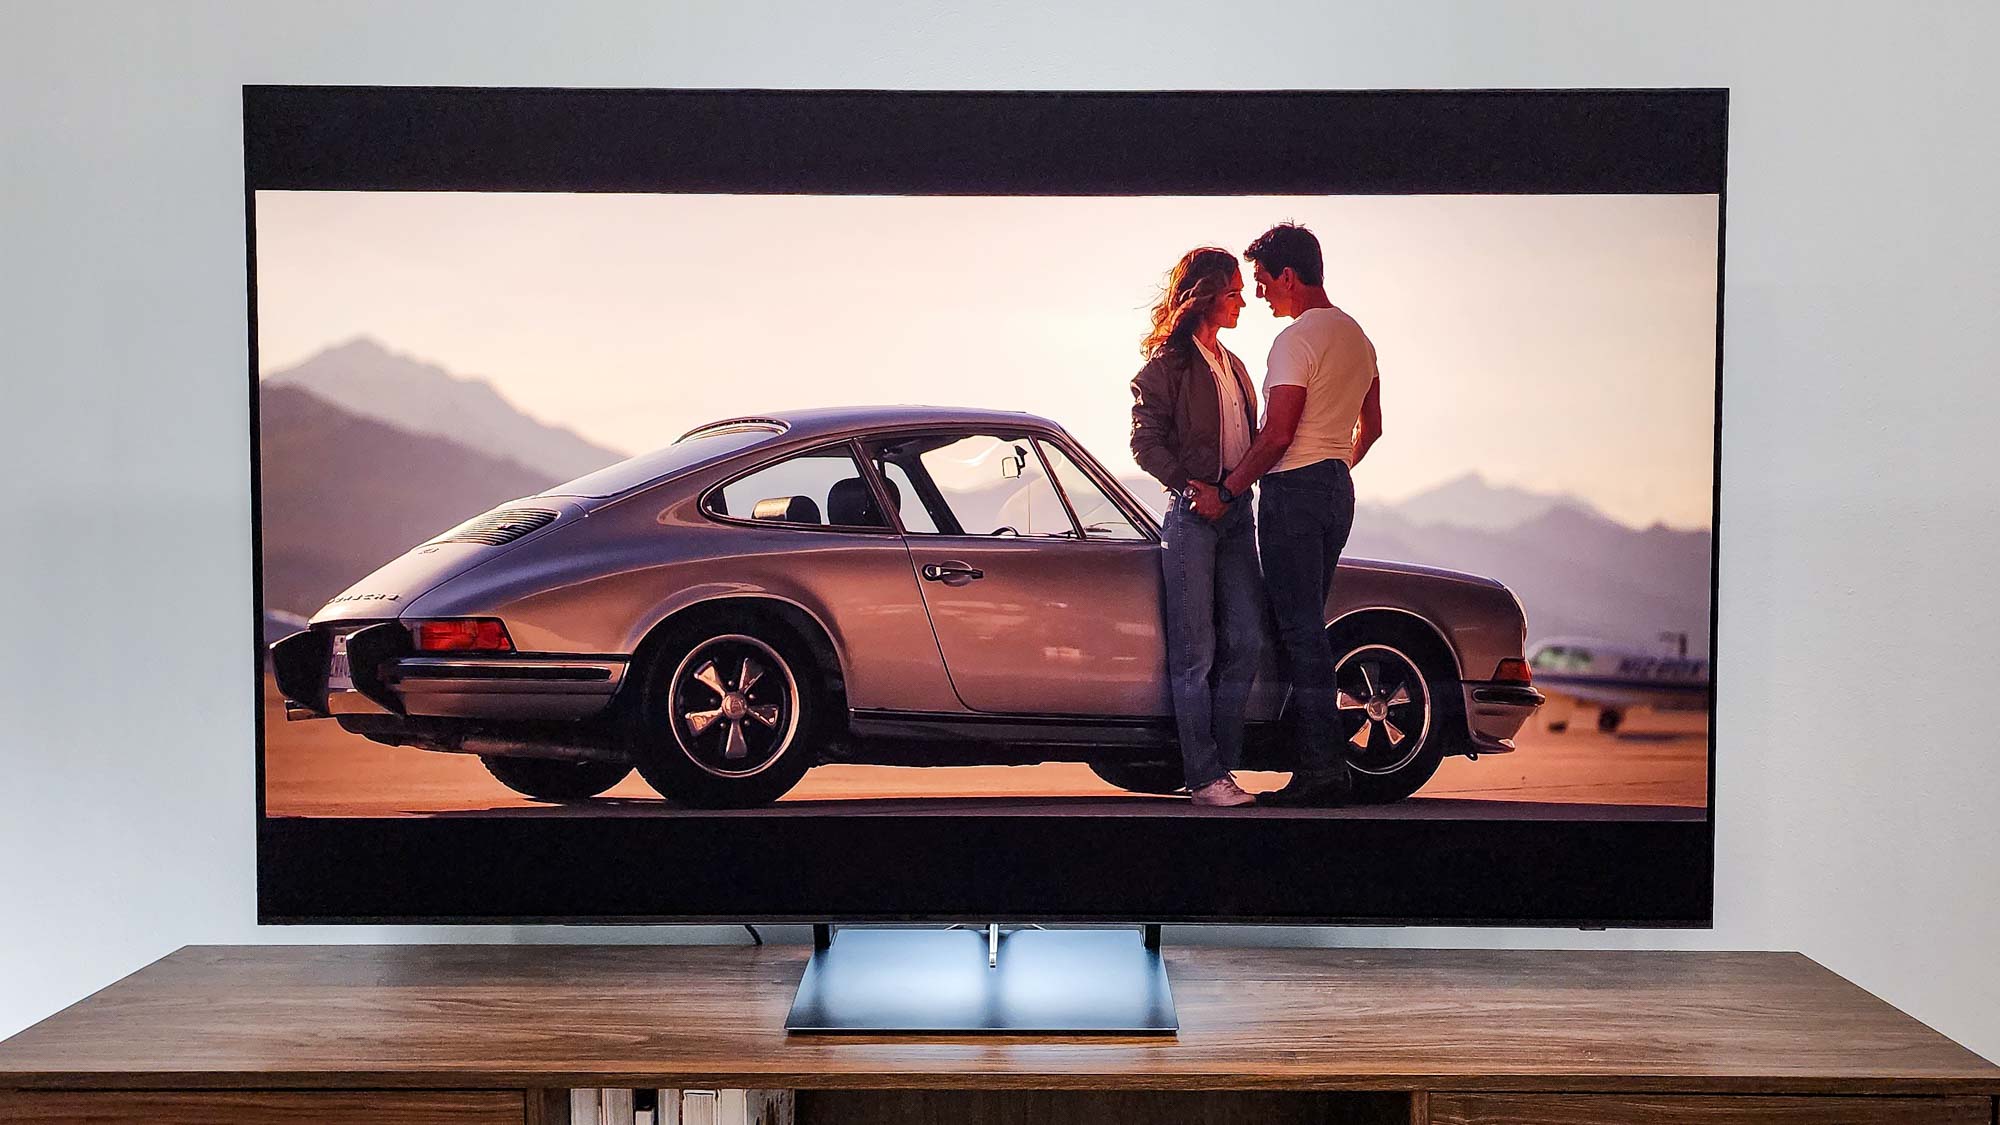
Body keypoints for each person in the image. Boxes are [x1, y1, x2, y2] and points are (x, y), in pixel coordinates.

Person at [1202, 223, 1383, 807]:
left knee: (1300, 633)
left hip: (1296, 492)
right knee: (1307, 628)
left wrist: (1229, 490)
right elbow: (1372, 427)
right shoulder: (1359, 337)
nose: (1258, 296)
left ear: (1288, 275)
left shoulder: (1296, 340)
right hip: (1335, 487)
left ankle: (1323, 769)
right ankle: (1320, 762)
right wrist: (1333, 467)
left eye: (1261, 282)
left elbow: (1277, 434)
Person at [1129, 247, 1265, 808]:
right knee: (1195, 653)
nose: (1242, 303)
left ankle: (1220, 769)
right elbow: (1144, 444)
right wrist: (1192, 487)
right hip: (1190, 519)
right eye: (1234, 293)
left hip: (1238, 512)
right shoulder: (1166, 367)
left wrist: (1232, 491)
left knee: (1248, 641)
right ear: (1208, 294)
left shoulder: (1234, 365)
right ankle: (1204, 775)